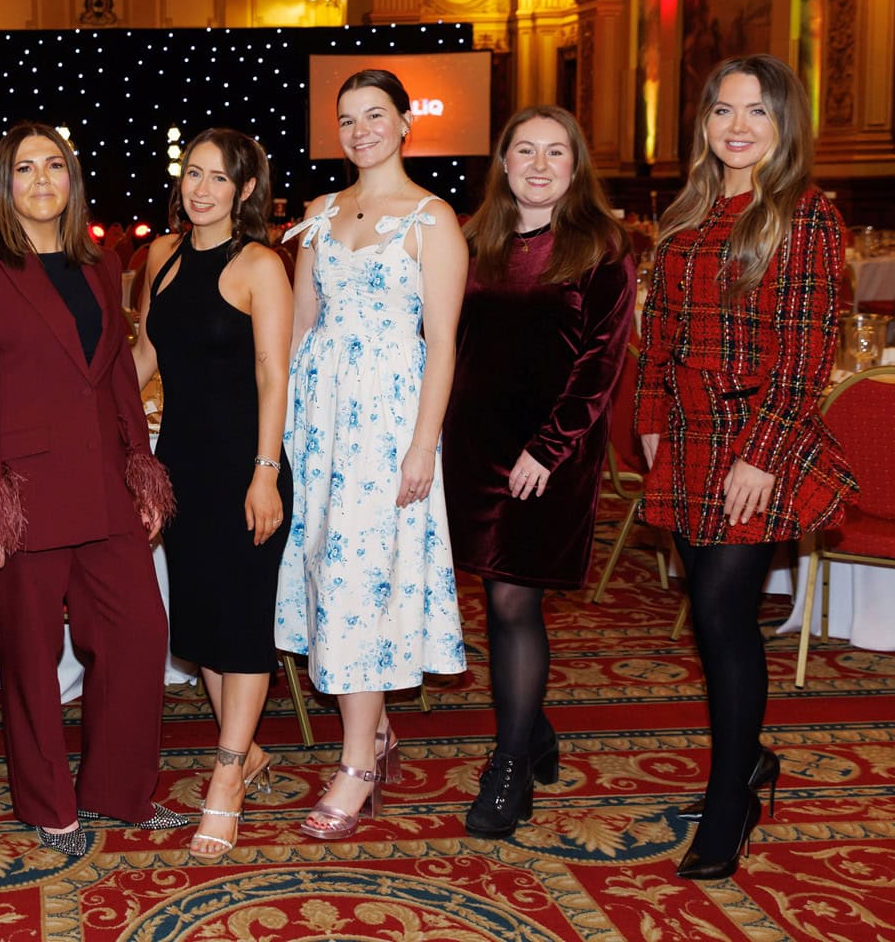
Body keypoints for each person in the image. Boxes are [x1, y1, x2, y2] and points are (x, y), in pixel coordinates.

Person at [637, 54, 857, 881]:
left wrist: (762, 456)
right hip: (685, 436)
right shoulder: (687, 212)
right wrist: (649, 422)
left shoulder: (805, 214)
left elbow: (806, 355)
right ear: (704, 123)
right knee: (706, 612)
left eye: (757, 111)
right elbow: (659, 336)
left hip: (756, 435)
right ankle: (750, 755)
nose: (737, 126)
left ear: (784, 124)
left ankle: (732, 797)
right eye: (724, 110)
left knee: (724, 612)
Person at [0, 121, 185, 857]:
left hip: (105, 486)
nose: (42, 179)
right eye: (25, 168)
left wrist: (141, 471)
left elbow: (115, 376)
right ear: (3, 184)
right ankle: (48, 804)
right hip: (22, 495)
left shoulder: (99, 263)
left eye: (54, 165)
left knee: (139, 633)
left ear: (72, 180)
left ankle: (119, 789)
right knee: (32, 653)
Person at [275, 69, 468, 839]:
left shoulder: (432, 219)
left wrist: (422, 445)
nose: (361, 131)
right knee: (331, 572)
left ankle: (356, 762)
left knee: (361, 579)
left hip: (389, 425)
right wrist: (285, 432)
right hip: (320, 420)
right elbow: (300, 329)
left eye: (376, 115)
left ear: (406, 123)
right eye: (349, 119)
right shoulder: (319, 213)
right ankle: (377, 731)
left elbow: (443, 343)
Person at [441, 106, 635, 837]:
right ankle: (535, 729)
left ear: (576, 165)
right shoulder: (474, 239)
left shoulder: (600, 246)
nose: (540, 164)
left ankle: (511, 766)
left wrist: (548, 449)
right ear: (504, 162)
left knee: (515, 601)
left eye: (556, 152)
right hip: (473, 446)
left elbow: (600, 365)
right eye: (525, 150)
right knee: (493, 599)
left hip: (549, 455)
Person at [131, 128, 293, 860]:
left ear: (245, 190)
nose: (200, 189)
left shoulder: (260, 264)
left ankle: (227, 779)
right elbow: (145, 354)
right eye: (192, 174)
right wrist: (96, 420)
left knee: (242, 624)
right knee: (198, 629)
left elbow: (272, 375)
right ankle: (248, 751)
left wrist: (264, 472)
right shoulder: (161, 256)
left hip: (244, 468)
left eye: (218, 178)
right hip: (181, 469)